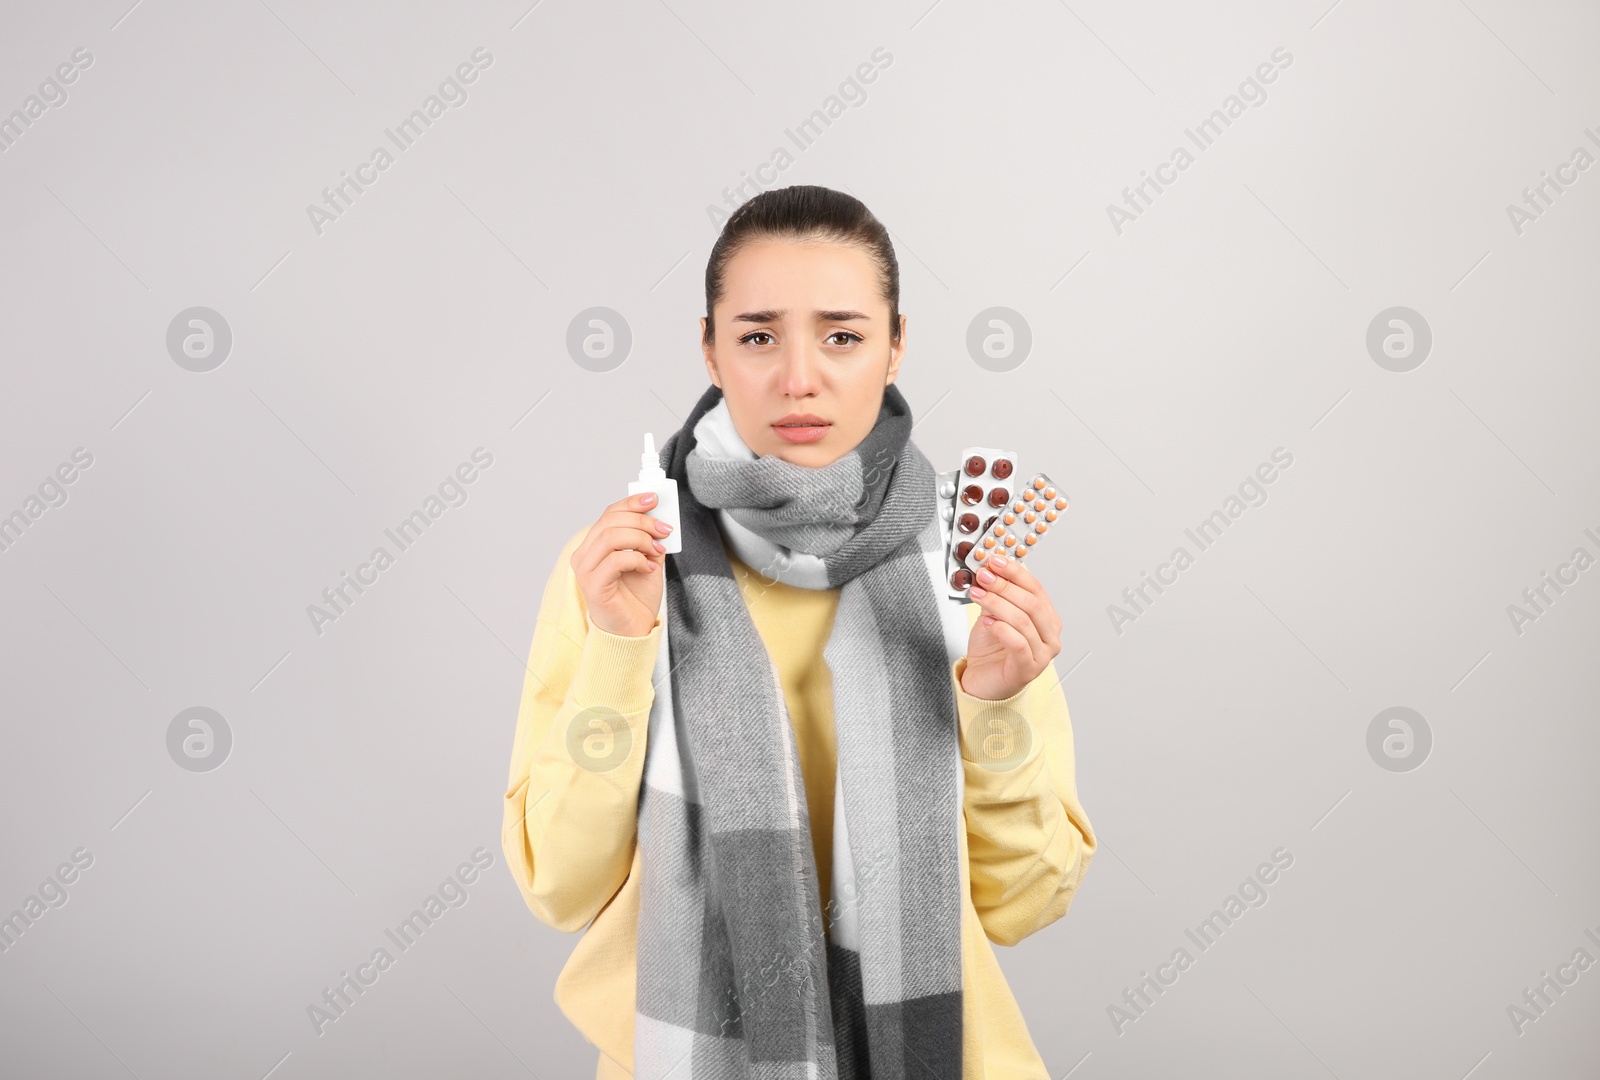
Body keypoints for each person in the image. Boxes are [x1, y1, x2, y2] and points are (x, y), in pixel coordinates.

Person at [502, 184, 1096, 1078]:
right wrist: (623, 649)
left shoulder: (967, 570)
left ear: (896, 347)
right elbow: (559, 883)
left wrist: (994, 705)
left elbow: (1025, 903)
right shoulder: (619, 568)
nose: (799, 377)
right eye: (756, 336)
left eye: (844, 336)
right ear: (709, 348)